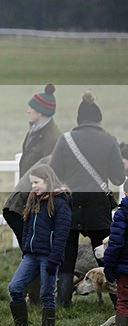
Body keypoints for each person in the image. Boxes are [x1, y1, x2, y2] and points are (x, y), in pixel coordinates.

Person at [49, 91, 125, 307]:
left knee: (67, 259)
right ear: (99, 119)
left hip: (70, 206)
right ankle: (118, 302)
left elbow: (54, 173)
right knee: (108, 257)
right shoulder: (109, 140)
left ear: (79, 120)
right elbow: (118, 177)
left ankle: (63, 304)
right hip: (98, 208)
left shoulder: (66, 140)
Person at [2, 84, 61, 305]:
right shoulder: (35, 131)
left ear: (42, 112)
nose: (28, 111)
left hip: (38, 200)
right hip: (27, 196)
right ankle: (31, 294)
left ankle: (33, 296)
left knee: (35, 249)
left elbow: (50, 171)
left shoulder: (53, 137)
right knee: (31, 249)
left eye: (32, 108)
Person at [7, 164, 71, 326]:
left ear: (48, 181)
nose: (33, 186)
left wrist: (54, 259)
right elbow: (27, 228)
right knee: (14, 288)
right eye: (32, 183)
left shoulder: (60, 203)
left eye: (36, 182)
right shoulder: (34, 200)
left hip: (49, 257)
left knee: (47, 295)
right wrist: (26, 249)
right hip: (31, 256)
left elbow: (61, 235)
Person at [103, 184, 128, 326]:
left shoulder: (121, 214)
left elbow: (115, 244)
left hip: (124, 269)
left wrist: (109, 267)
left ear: (125, 193)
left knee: (124, 302)